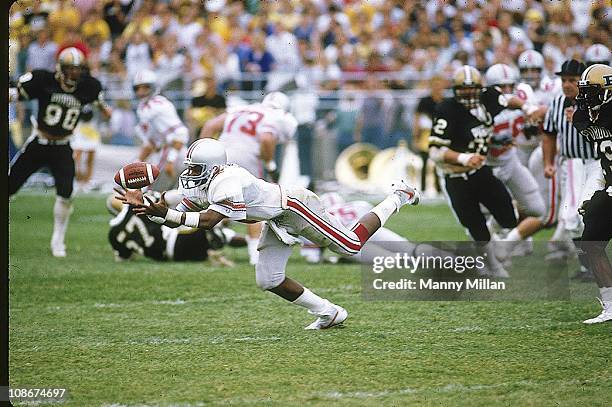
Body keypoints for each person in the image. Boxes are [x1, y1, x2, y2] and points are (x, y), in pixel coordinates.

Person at [115, 138, 420, 330]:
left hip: (295, 206)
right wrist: (148, 203)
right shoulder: (203, 180)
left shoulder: (227, 180)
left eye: (196, 168)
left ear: (213, 167)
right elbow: (174, 211)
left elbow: (208, 221)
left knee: (351, 245)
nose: (190, 174)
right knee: (268, 280)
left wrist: (163, 213)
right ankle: (330, 313)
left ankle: (399, 195)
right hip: (275, 217)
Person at [428, 65, 535, 277]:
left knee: (509, 217)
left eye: (472, 88)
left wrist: (527, 108)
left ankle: (494, 253)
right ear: (455, 90)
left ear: (481, 88)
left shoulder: (489, 98)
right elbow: (435, 151)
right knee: (476, 227)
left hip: (481, 172)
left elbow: (509, 100)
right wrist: (465, 158)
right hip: (456, 176)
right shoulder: (447, 110)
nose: (468, 93)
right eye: (463, 89)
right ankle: (492, 265)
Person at [9, 47, 111, 257]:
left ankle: (58, 241)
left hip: (63, 146)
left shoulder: (89, 86)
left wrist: (103, 110)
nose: (75, 73)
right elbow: (16, 93)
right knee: (9, 185)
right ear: (61, 68)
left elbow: (103, 108)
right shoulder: (44, 79)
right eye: (71, 69)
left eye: (78, 69)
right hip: (39, 142)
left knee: (66, 194)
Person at [199, 91, 298, 266]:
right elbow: (267, 139)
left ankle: (207, 245)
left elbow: (209, 126)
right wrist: (270, 165)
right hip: (248, 159)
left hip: (220, 155)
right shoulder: (280, 117)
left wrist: (202, 152)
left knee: (214, 200)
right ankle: (255, 255)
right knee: (255, 203)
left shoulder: (242, 108)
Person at [542, 60, 599, 281]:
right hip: (572, 163)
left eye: (572, 80)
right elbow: (548, 134)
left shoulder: (595, 101)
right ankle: (588, 267)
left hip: (595, 163)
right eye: (563, 80)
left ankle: (592, 266)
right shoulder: (556, 103)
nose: (566, 85)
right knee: (571, 216)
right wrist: (548, 162)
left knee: (586, 214)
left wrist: (579, 122)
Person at [483, 63, 546, 260]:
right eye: (502, 87)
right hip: (487, 165)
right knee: (486, 211)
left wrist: (533, 115)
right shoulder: (483, 103)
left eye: (510, 86)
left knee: (538, 208)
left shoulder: (523, 95)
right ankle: (488, 247)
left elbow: (536, 115)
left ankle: (497, 233)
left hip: (510, 161)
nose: (507, 92)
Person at [572, 63, 612, 324]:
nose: (586, 98)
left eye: (592, 92)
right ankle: (610, 305)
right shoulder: (586, 118)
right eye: (584, 92)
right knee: (591, 242)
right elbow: (604, 158)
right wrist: (595, 190)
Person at [107, 190, 236, 266]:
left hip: (170, 256)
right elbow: (168, 198)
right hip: (180, 239)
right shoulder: (137, 205)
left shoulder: (114, 233)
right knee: (215, 228)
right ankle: (224, 231)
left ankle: (210, 250)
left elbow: (124, 258)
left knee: (217, 233)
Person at [132, 69, 189, 191]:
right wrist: (137, 162)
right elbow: (151, 143)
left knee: (149, 192)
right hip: (164, 153)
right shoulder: (142, 108)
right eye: (138, 88)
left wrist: (170, 160)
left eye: (145, 87)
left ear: (153, 87)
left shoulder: (159, 105)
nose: (141, 92)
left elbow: (181, 134)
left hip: (173, 153)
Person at [413, 75, 445, 195]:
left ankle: (439, 189)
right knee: (425, 161)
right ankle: (423, 188)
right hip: (426, 134)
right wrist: (415, 136)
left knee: (439, 163)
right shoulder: (425, 101)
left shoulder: (444, 101)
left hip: (440, 135)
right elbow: (417, 118)